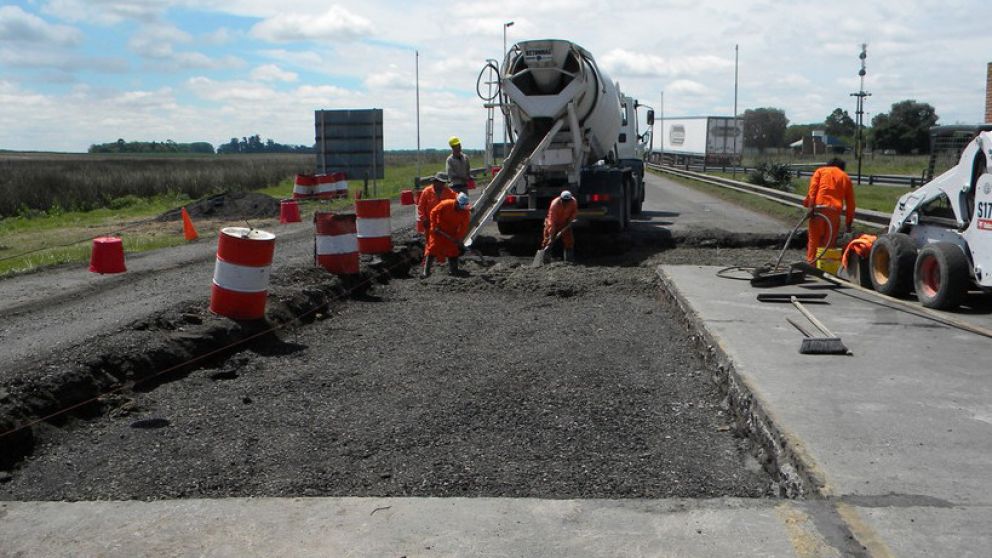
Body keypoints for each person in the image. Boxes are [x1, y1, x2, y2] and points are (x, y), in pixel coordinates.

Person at [803, 158, 855, 263]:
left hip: (818, 211)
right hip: (834, 213)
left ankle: (811, 264)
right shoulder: (845, 177)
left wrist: (810, 206)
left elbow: (813, 189)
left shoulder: (820, 171)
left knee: (814, 241)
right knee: (828, 243)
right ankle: (825, 266)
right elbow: (851, 203)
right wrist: (848, 223)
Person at [421, 192, 472, 278]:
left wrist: (458, 238)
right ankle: (426, 272)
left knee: (453, 251)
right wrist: (434, 226)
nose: (462, 210)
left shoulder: (465, 212)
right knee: (432, 248)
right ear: (456, 202)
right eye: (461, 207)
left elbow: (464, 226)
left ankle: (454, 270)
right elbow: (433, 212)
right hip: (438, 230)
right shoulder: (445, 204)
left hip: (452, 232)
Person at [541, 190, 578, 262]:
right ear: (561, 199)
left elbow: (574, 212)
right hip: (553, 223)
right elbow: (552, 220)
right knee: (548, 240)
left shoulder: (573, 202)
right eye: (564, 201)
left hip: (565, 223)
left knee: (569, 240)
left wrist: (570, 220)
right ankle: (545, 258)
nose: (566, 203)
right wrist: (551, 235)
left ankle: (569, 259)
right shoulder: (555, 204)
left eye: (567, 201)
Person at [417, 171, 456, 238]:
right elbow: (421, 207)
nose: (442, 185)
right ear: (435, 181)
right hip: (430, 222)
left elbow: (458, 199)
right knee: (430, 240)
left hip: (444, 223)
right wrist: (424, 219)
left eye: (443, 183)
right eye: (440, 182)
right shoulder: (426, 191)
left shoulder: (448, 192)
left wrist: (467, 206)